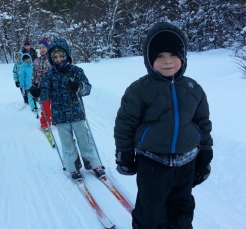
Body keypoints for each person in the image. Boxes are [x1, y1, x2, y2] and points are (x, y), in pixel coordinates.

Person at [114, 22, 213, 228]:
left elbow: (202, 123)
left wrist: (205, 153)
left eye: (172, 55)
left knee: (182, 208)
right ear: (149, 60)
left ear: (183, 57)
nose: (167, 62)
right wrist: (124, 153)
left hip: (187, 161)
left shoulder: (193, 88)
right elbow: (125, 123)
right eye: (159, 56)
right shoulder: (139, 89)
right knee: (151, 211)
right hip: (152, 161)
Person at [30, 38, 105, 179]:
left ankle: (94, 163)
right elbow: (44, 95)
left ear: (67, 55)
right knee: (67, 143)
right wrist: (37, 92)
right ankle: (73, 167)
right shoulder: (49, 76)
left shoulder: (76, 71)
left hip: (77, 113)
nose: (58, 59)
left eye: (61, 56)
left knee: (85, 140)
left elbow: (87, 88)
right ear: (51, 59)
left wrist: (79, 86)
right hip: (60, 115)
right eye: (55, 57)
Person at [32, 37, 52, 129]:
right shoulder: (36, 61)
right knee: (44, 106)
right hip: (42, 88)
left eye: (43, 47)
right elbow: (34, 74)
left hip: (53, 86)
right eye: (40, 48)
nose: (42, 49)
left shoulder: (53, 59)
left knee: (55, 106)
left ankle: (55, 120)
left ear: (48, 47)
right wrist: (34, 85)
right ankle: (44, 122)